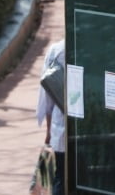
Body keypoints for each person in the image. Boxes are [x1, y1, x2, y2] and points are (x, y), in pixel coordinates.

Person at [36, 38, 65, 195]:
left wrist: (48, 134)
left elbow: (46, 99)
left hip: (60, 130)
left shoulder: (56, 51)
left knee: (59, 176)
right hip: (88, 127)